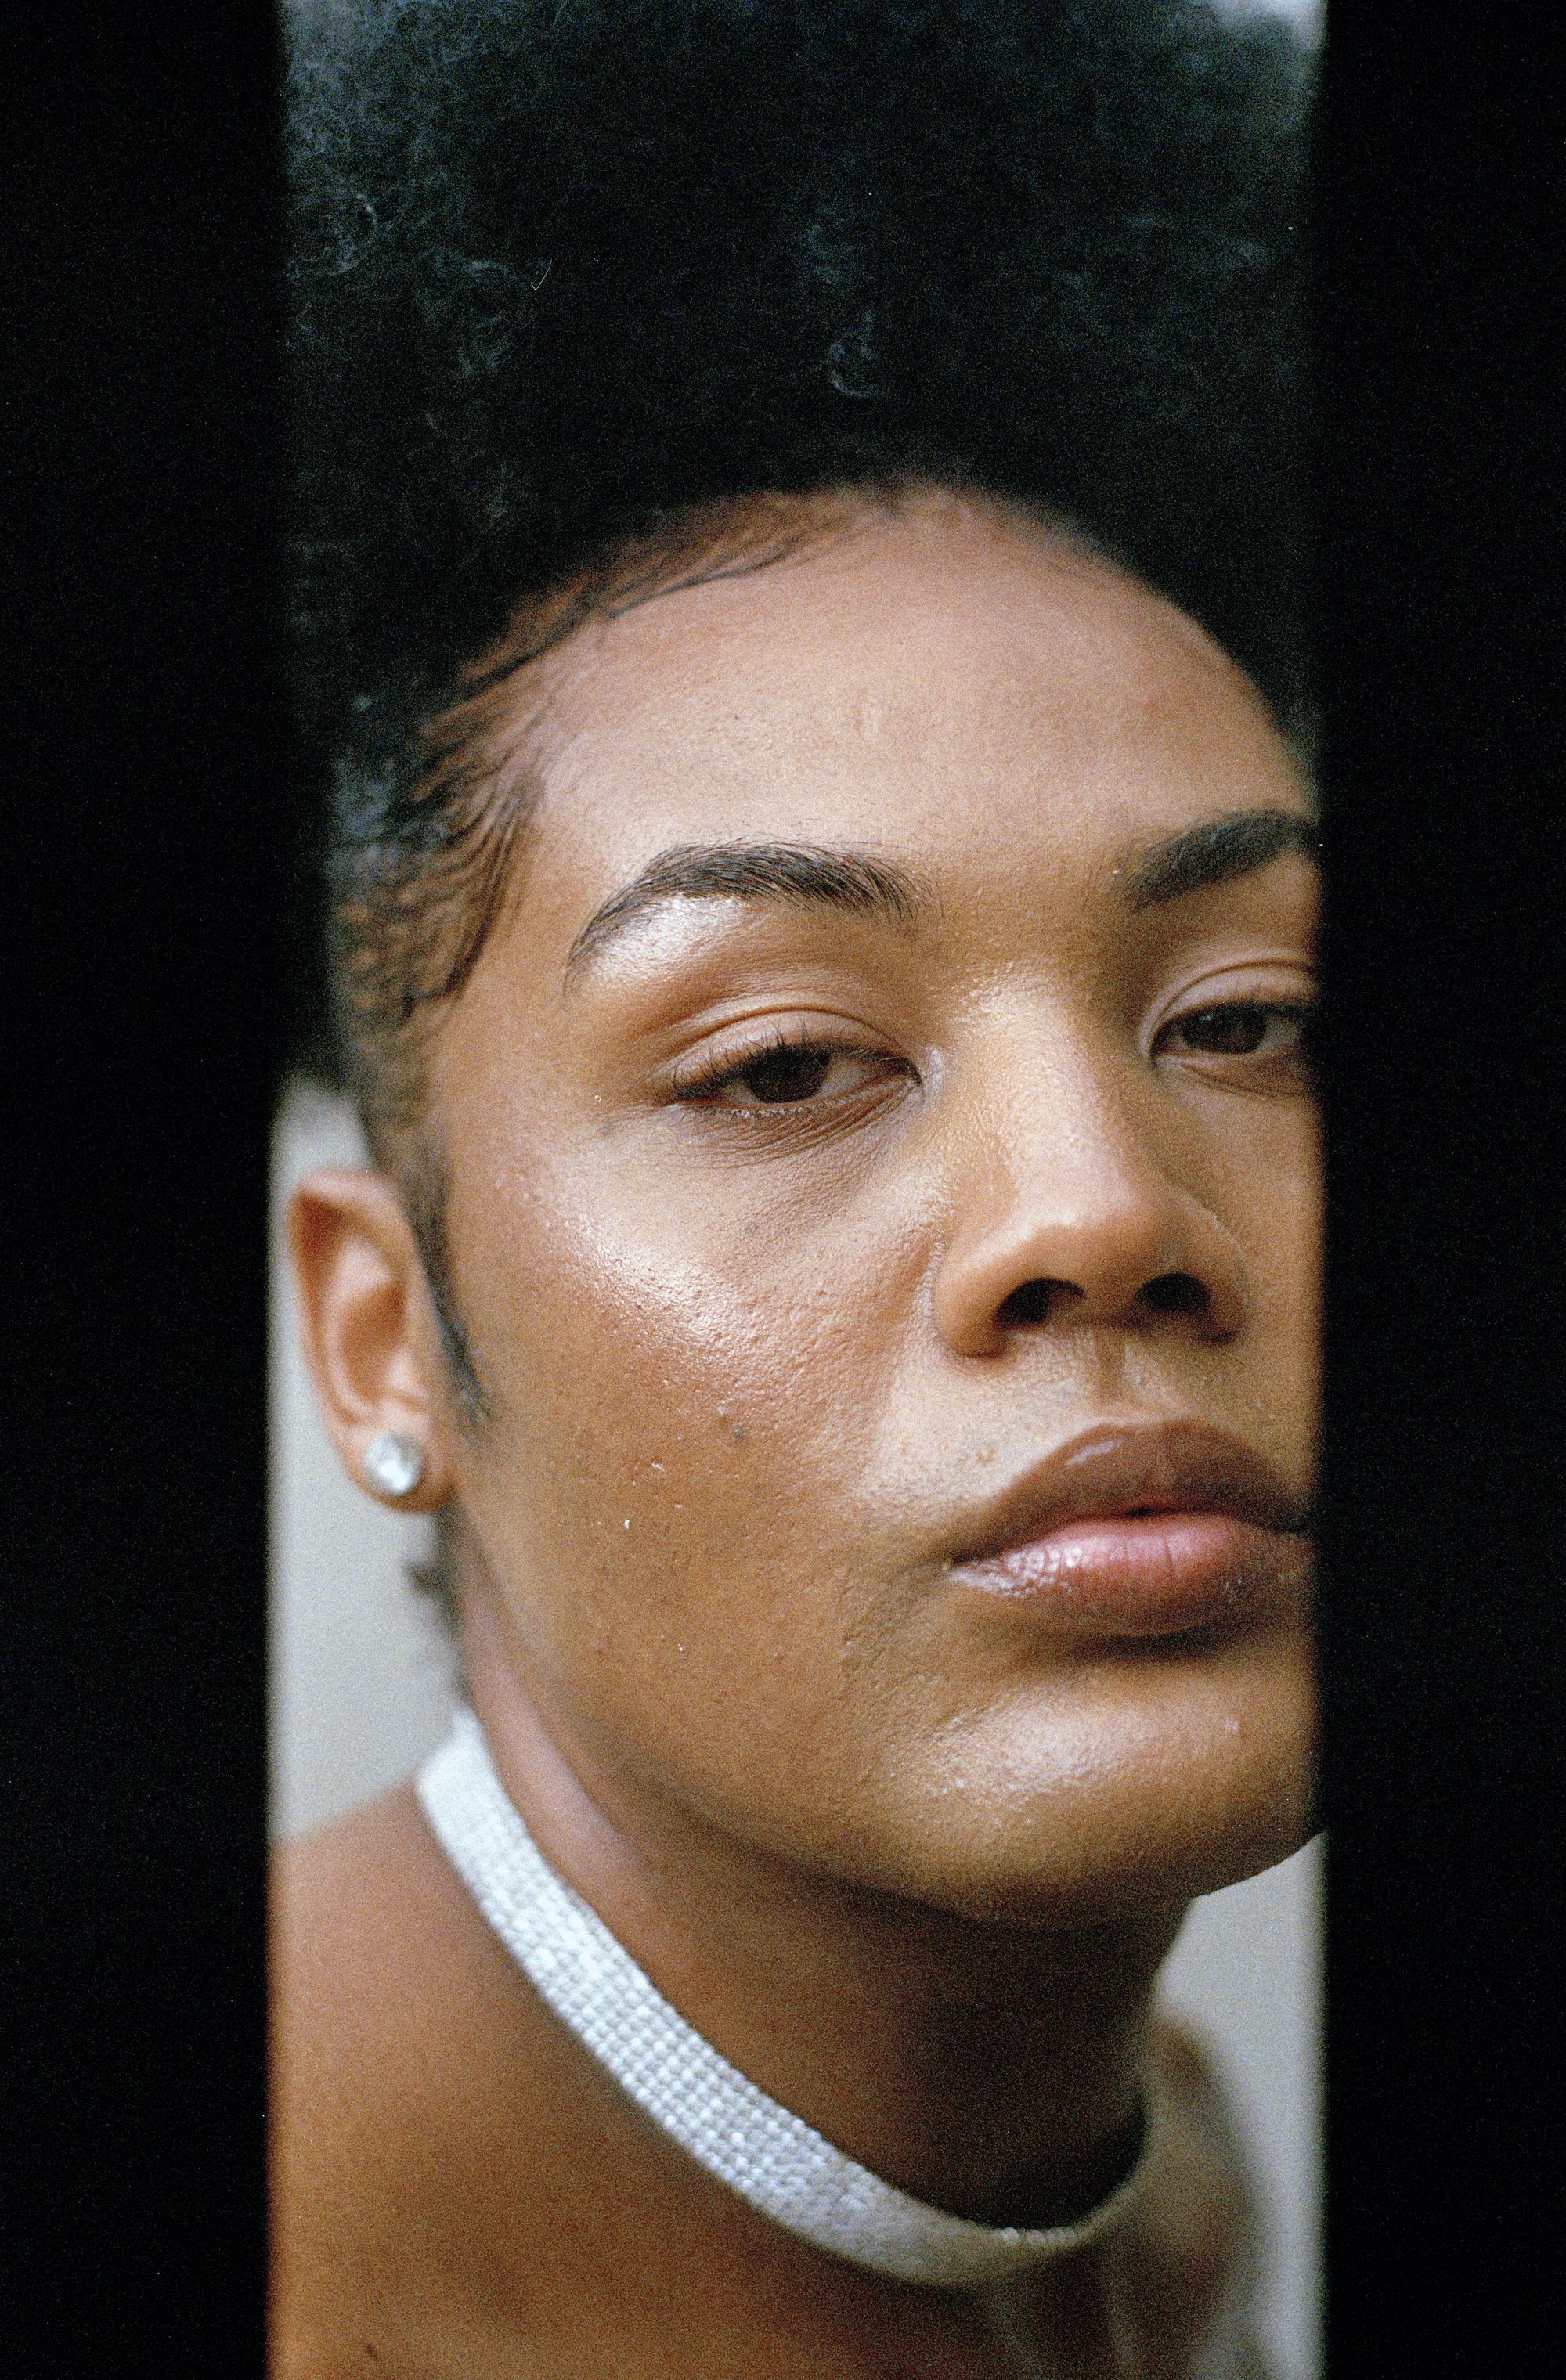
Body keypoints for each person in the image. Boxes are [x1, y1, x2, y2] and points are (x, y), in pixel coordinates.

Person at [270, 3, 1319, 2372]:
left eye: (1252, 1020)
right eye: (785, 1064)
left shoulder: (1147, 2192)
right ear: (384, 1334)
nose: (1105, 1211)